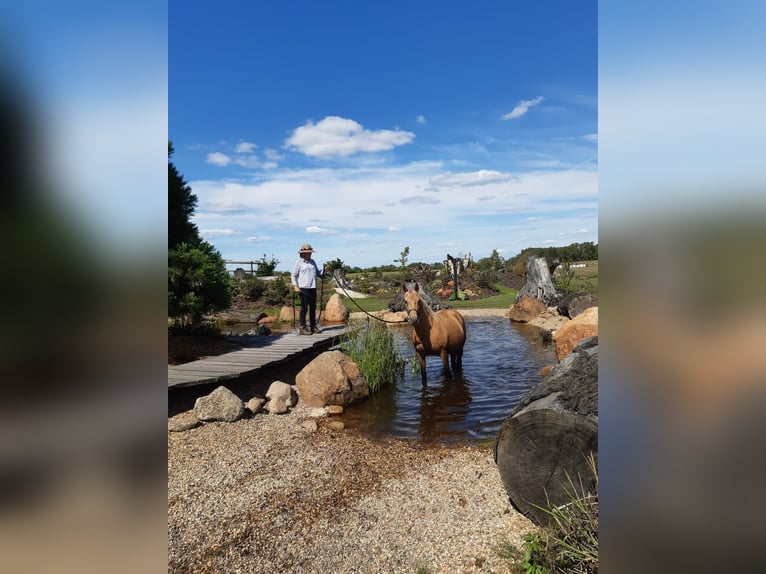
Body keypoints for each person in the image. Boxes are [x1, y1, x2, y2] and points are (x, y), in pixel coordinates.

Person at [291, 244, 323, 335]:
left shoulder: (313, 262)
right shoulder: (299, 262)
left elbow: (317, 273)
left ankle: (313, 326)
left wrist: (324, 271)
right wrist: (295, 286)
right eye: (307, 253)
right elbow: (293, 275)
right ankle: (302, 328)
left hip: (313, 287)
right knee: (304, 308)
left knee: (313, 308)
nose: (309, 254)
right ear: (303, 254)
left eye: (310, 252)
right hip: (303, 289)